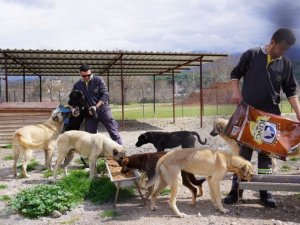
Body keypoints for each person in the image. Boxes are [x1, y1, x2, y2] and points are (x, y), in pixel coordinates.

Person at [226, 28, 300, 208]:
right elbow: (235, 74)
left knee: (266, 156)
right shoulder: (251, 55)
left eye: (285, 50)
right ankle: (236, 191)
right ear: (272, 42)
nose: (282, 53)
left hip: (271, 117)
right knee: (243, 155)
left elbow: (290, 90)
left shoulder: (285, 64)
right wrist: (236, 91)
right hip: (249, 115)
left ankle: (264, 191)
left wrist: (298, 112)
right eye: (280, 48)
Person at [71, 64, 123, 145]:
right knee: (89, 136)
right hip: (90, 113)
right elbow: (73, 100)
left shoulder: (98, 80)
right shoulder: (77, 85)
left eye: (88, 75)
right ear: (80, 74)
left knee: (113, 130)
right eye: (84, 76)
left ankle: (121, 151)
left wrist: (96, 106)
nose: (87, 77)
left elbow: (105, 94)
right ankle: (92, 155)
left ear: (90, 72)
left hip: (103, 110)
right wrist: (73, 109)